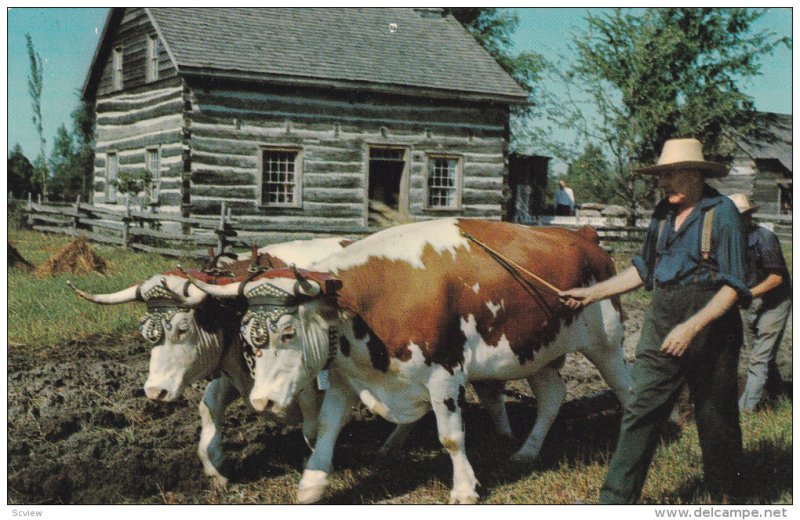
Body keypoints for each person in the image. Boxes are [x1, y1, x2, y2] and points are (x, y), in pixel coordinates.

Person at [560, 138, 750, 504]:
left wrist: (691, 327)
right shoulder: (662, 213)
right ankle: (615, 501)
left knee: (716, 419)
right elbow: (643, 270)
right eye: (662, 175)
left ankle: (727, 498)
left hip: (712, 328)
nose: (664, 183)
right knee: (639, 410)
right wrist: (592, 293)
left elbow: (733, 288)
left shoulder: (722, 213)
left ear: (696, 174)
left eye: (672, 174)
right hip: (662, 322)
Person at [728, 193, 792, 412]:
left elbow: (777, 278)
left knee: (759, 357)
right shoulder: (732, 242)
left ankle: (746, 409)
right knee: (764, 354)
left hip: (776, 302)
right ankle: (778, 395)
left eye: (742, 216)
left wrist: (747, 294)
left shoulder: (764, 238)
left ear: (748, 217)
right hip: (754, 301)